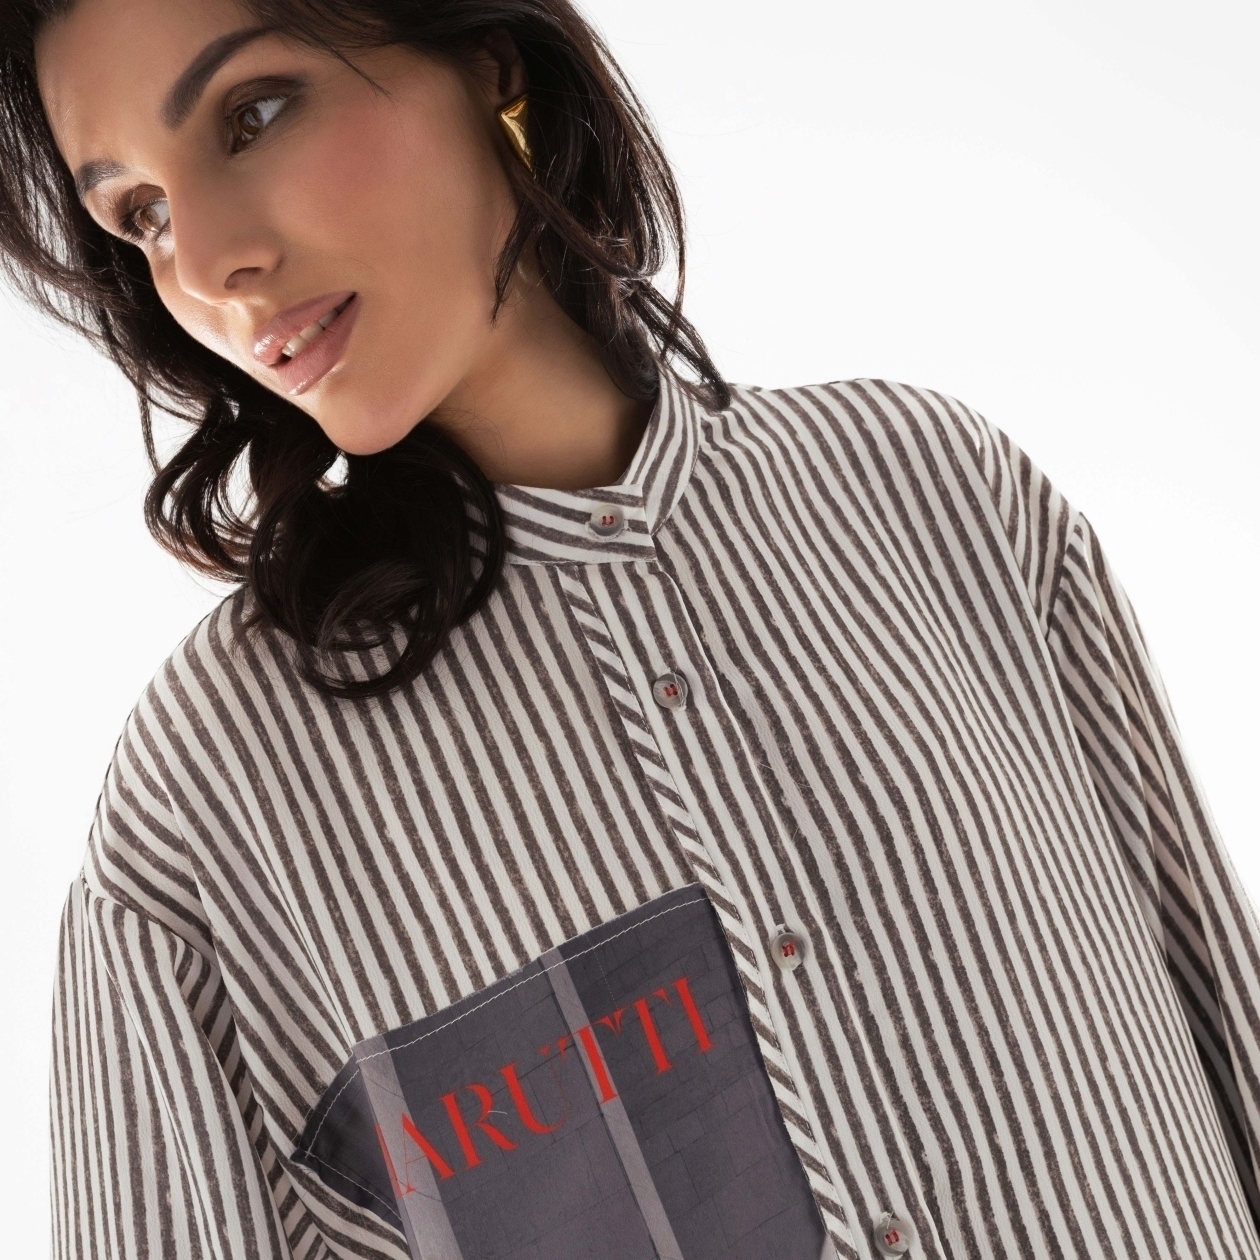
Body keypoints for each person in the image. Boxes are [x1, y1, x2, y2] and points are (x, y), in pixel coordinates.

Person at [5, 0, 1259, 1256]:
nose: (206, 262)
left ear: (486, 55)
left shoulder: (936, 490)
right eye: (141, 214)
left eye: (255, 115)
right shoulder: (210, 803)